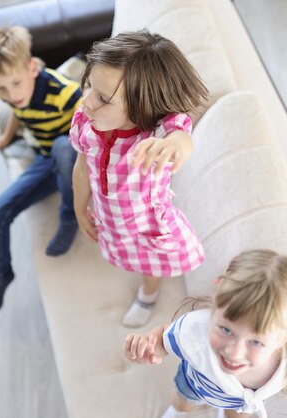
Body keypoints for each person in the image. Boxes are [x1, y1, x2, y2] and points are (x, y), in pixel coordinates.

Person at [70, 31, 208, 327]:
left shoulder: (155, 131)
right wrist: (79, 206)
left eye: (104, 99)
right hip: (110, 217)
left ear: (142, 105)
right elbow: (82, 166)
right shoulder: (84, 120)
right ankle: (143, 281)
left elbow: (180, 135)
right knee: (126, 255)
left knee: (150, 263)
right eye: (90, 86)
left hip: (147, 223)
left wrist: (175, 146)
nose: (88, 102)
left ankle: (148, 293)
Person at [124, 249, 287, 418]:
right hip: (195, 384)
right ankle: (178, 412)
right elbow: (163, 339)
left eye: (256, 342)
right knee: (182, 403)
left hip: (241, 403)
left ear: (285, 337)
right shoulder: (194, 329)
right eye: (225, 329)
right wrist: (148, 347)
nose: (233, 352)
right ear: (214, 308)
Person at [0, 26, 82, 316]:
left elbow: (94, 134)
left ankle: (70, 218)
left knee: (62, 146)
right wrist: (5, 139)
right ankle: (2, 276)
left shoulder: (68, 95)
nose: (10, 95)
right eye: (1, 89)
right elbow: (19, 113)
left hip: (76, 160)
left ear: (33, 68)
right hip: (45, 160)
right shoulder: (12, 94)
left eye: (16, 84)